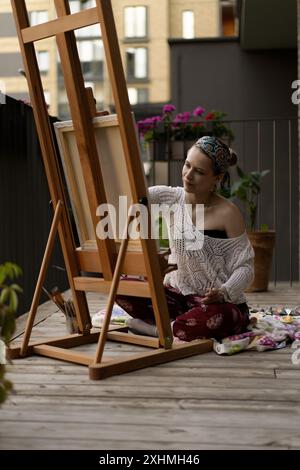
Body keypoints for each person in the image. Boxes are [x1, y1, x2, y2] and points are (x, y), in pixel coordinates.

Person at [116, 136, 254, 342]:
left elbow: (246, 267)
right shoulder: (169, 197)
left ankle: (159, 330)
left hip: (216, 304)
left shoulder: (228, 213)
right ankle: (176, 324)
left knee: (226, 317)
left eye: (199, 171)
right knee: (121, 284)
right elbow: (132, 196)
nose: (188, 175)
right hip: (177, 297)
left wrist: (224, 292)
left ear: (217, 178)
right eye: (187, 165)